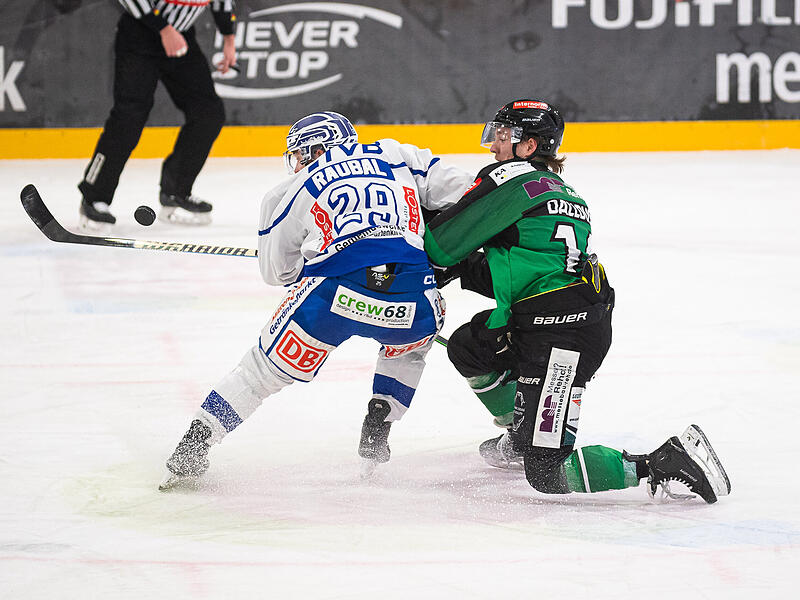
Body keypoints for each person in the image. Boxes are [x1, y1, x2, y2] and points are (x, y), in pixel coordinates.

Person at [424, 99, 731, 503]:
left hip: (559, 339)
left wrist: (413, 252)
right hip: (562, 319)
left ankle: (663, 461)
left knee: (547, 472)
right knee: (471, 346)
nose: (494, 145)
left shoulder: (509, 178)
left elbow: (441, 246)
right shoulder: (566, 192)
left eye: (503, 135)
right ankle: (522, 433)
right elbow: (524, 271)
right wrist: (460, 268)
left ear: (529, 146)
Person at [159, 111, 473, 489]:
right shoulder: (399, 155)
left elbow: (278, 274)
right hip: (411, 295)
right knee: (409, 348)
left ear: (314, 149)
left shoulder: (292, 187)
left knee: (260, 373)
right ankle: (380, 420)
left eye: (297, 154)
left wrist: (315, 250)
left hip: (332, 296)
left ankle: (196, 444)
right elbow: (469, 195)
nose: (296, 163)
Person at [77, 0, 237, 232]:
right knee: (129, 117)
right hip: (140, 35)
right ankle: (94, 197)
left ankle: (176, 191)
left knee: (208, 112)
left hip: (180, 37)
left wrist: (229, 40)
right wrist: (163, 29)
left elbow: (223, 3)